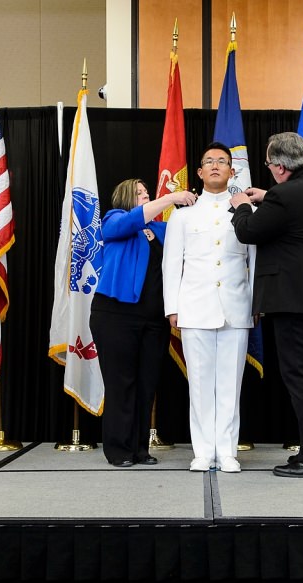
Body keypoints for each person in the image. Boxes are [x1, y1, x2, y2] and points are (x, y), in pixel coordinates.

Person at [230, 132, 303, 478]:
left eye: (269, 166)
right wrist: (269, 197)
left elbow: (249, 230)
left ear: (281, 167)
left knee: (302, 380)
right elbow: (302, 210)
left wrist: (241, 206)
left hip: (296, 301)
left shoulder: (284, 195)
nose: (269, 171)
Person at [163, 142, 255, 473]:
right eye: (209, 162)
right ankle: (202, 451)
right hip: (195, 306)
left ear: (233, 171)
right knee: (200, 383)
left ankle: (227, 451)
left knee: (230, 383)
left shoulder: (247, 213)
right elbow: (172, 263)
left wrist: (255, 303)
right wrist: (172, 306)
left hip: (235, 306)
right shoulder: (183, 215)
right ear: (199, 172)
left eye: (222, 161)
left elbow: (255, 262)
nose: (216, 165)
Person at [90, 179, 196, 467]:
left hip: (153, 320)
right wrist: (170, 198)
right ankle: (118, 450)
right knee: (121, 383)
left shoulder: (161, 230)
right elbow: (128, 223)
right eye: (139, 193)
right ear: (125, 197)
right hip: (115, 316)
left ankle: (139, 449)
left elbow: (188, 235)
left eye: (147, 192)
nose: (145, 195)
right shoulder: (115, 220)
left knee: (146, 384)